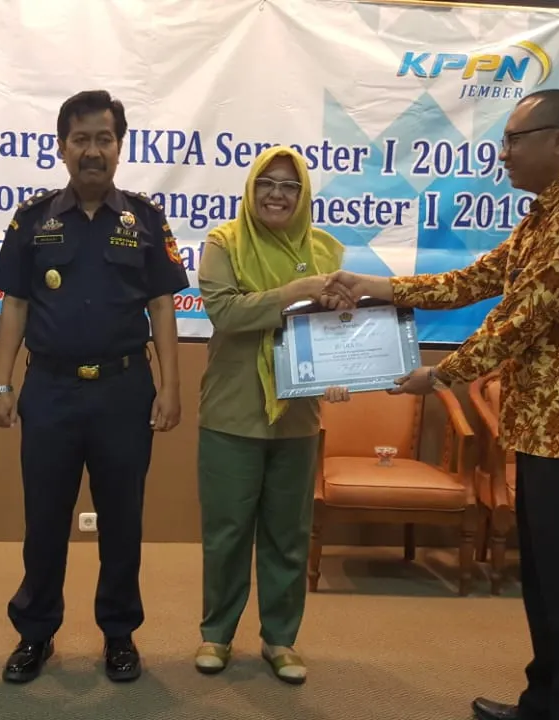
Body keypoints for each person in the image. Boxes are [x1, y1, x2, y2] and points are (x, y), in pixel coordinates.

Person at [323, 89, 559, 720]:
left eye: (515, 140)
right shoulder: (544, 216)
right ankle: (543, 704)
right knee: (545, 583)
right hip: (543, 430)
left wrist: (441, 375)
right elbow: (471, 281)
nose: (504, 153)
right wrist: (374, 286)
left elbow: (520, 318)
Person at [0, 89, 190, 684]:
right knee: (44, 518)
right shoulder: (33, 218)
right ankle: (35, 633)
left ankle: (119, 634)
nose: (92, 151)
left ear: (120, 147)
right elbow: (15, 305)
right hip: (49, 390)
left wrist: (170, 386)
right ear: (62, 147)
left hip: (124, 391)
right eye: (81, 139)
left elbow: (162, 306)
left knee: (123, 519)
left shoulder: (146, 218)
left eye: (104, 139)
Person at [194, 146, 350, 685]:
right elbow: (225, 312)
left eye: (289, 185)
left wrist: (339, 370)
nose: (277, 195)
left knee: (288, 532)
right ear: (251, 189)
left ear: (303, 194)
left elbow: (334, 326)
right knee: (227, 532)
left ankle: (280, 639)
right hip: (231, 411)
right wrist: (292, 293)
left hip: (297, 415)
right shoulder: (224, 243)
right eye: (267, 183)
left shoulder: (326, 250)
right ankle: (216, 633)